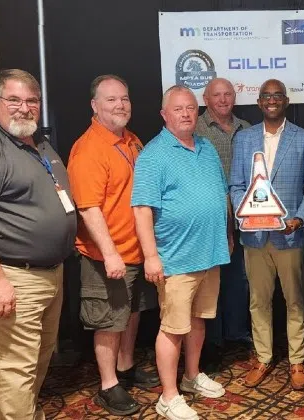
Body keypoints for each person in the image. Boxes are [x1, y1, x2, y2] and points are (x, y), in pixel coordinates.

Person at [0, 69, 77, 420]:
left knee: (35, 363)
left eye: (31, 100)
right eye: (14, 100)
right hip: (12, 279)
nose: (24, 108)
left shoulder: (39, 144)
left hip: (50, 276)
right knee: (13, 373)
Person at [132, 85, 231, 420]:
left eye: (191, 107)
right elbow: (142, 209)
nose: (187, 113)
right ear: (164, 114)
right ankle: (168, 396)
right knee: (173, 328)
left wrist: (226, 234)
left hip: (209, 253)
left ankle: (191, 377)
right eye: (178, 109)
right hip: (175, 259)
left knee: (198, 321)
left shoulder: (206, 147)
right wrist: (151, 256)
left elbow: (220, 195)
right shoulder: (153, 155)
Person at [67, 74, 160, 416]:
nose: (120, 105)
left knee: (130, 315)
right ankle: (108, 385)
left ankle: (125, 368)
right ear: (94, 106)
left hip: (135, 253)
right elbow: (88, 207)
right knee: (108, 322)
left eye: (124, 98)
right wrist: (109, 254)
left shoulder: (131, 139)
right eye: (111, 100)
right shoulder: (90, 148)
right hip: (107, 257)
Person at [229, 79, 304, 390]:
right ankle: (263, 357)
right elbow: (237, 186)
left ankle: (297, 361)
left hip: (289, 237)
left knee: (295, 300)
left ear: (286, 100)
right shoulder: (244, 139)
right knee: (258, 301)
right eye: (266, 96)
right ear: (259, 102)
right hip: (254, 238)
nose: (272, 100)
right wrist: (247, 213)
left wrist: (300, 219)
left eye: (277, 95)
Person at [195, 77, 251, 370]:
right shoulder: (195, 129)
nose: (223, 99)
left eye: (228, 94)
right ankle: (213, 342)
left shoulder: (247, 129)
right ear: (206, 99)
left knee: (240, 281)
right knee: (210, 283)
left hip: (246, 218)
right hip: (212, 220)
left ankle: (238, 335)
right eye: (216, 95)